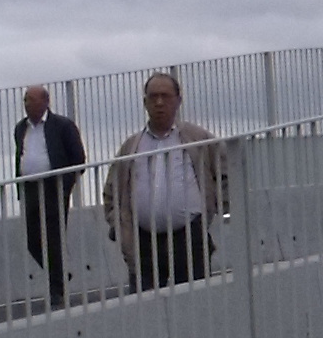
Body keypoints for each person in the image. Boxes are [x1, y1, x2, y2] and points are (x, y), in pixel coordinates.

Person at [103, 70, 223, 290]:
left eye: (165, 96)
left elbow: (225, 172)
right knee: (144, 309)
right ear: (144, 102)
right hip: (143, 243)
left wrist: (219, 208)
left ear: (178, 101)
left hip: (188, 238)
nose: (159, 102)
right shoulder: (132, 147)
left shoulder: (197, 139)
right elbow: (112, 191)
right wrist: (118, 223)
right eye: (153, 96)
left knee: (193, 305)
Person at [12, 84, 87, 304]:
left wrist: (65, 185)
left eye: (31, 100)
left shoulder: (62, 125)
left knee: (53, 238)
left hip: (54, 187)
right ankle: (60, 274)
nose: (27, 105)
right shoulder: (20, 128)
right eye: (25, 100)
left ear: (45, 102)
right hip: (30, 188)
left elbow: (78, 158)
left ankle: (57, 290)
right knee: (32, 240)